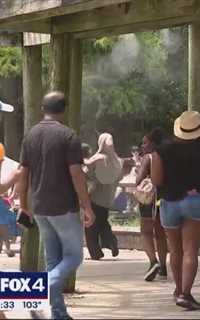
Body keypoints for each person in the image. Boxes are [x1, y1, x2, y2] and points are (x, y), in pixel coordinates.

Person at [17, 91, 95, 319]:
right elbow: (76, 174)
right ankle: (41, 290)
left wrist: (23, 205)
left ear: (43, 108)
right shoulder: (68, 136)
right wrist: (87, 206)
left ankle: (58, 313)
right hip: (63, 207)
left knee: (53, 260)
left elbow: (24, 174)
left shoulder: (30, 135)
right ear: (64, 110)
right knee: (74, 257)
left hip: (40, 207)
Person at [151, 110, 200, 310]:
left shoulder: (161, 150)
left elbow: (156, 180)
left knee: (175, 249)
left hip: (169, 201)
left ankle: (177, 289)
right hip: (196, 199)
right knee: (191, 249)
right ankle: (186, 294)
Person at [135, 128, 168, 281]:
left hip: (149, 199)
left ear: (152, 144)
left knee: (146, 231)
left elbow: (139, 179)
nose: (142, 146)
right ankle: (163, 266)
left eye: (145, 143)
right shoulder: (167, 156)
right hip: (165, 197)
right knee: (160, 232)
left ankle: (153, 261)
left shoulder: (148, 158)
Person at [83, 133, 123, 260]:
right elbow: (120, 177)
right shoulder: (117, 161)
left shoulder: (96, 159)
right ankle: (111, 241)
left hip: (95, 197)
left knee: (90, 226)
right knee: (102, 222)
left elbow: (84, 172)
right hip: (108, 198)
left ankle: (95, 252)